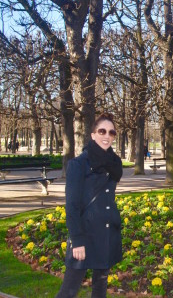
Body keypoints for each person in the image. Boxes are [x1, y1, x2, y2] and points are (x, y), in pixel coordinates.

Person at [56, 113, 123, 298]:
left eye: (111, 132)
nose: (106, 135)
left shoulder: (114, 164)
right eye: (102, 131)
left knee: (100, 288)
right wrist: (77, 240)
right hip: (85, 234)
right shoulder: (79, 164)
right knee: (69, 290)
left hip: (107, 232)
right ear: (93, 135)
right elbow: (72, 206)